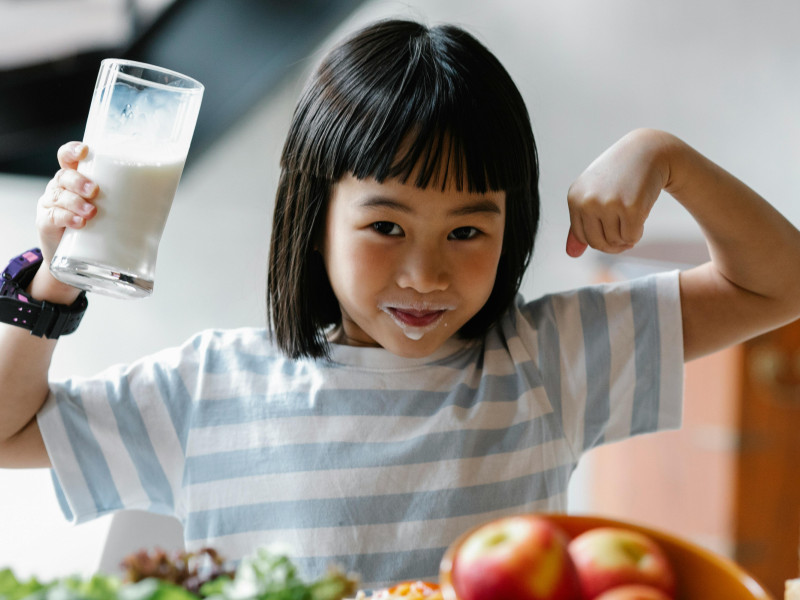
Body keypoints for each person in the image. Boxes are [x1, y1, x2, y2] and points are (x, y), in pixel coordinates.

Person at [1, 18, 800, 590]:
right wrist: (59, 274)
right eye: (386, 225)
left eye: (466, 231)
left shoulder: (550, 359)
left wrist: (668, 157)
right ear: (315, 222)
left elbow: (780, 283)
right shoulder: (210, 386)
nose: (425, 274)